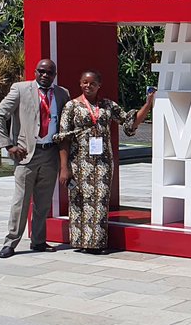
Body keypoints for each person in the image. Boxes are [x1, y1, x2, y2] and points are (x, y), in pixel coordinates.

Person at [56, 70, 154, 254]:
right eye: (85, 82)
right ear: (80, 83)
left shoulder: (108, 105)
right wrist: (64, 167)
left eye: (92, 83)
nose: (88, 86)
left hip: (103, 162)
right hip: (78, 161)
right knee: (80, 200)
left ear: (99, 85)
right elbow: (63, 138)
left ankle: (97, 243)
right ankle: (81, 242)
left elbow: (129, 123)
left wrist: (148, 105)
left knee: (100, 200)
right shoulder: (71, 106)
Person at [0, 59, 71, 259]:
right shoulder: (20, 89)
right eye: (42, 71)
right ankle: (10, 243)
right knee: (21, 201)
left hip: (50, 154)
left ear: (54, 75)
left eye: (50, 72)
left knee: (43, 202)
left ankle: (38, 241)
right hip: (26, 155)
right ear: (35, 72)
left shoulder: (62, 94)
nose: (45, 75)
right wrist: (8, 145)